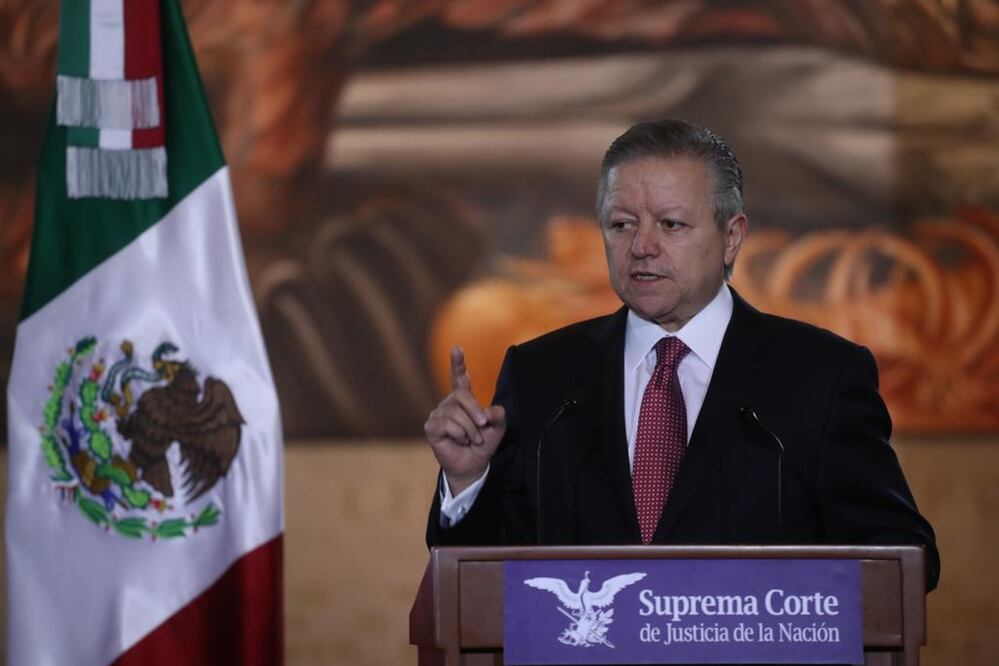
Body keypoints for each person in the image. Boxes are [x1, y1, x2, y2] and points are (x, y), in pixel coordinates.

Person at [423, 119, 939, 590]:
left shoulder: (820, 376)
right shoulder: (542, 376)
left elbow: (903, 558)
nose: (641, 246)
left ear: (731, 237)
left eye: (670, 224)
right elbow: (485, 579)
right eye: (622, 224)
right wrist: (467, 482)